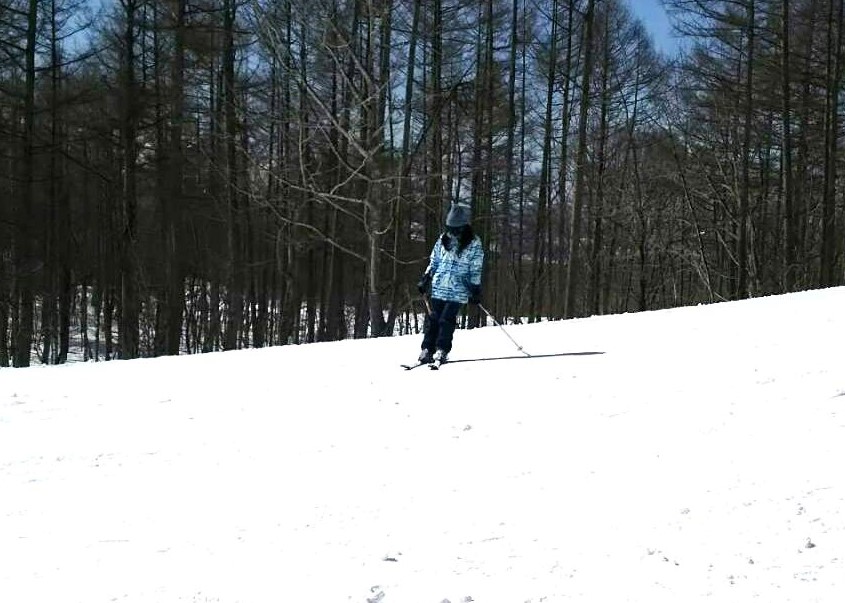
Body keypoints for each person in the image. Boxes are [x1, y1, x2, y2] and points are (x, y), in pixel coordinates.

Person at [416, 202, 484, 364]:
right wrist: (426, 277)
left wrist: (475, 288)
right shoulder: (443, 239)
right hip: (439, 286)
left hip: (459, 288)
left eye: (455, 229)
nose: (451, 232)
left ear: (462, 227)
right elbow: (435, 260)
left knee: (446, 319)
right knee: (434, 319)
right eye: (449, 228)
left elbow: (476, 267)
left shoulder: (474, 243)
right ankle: (427, 349)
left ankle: (442, 350)